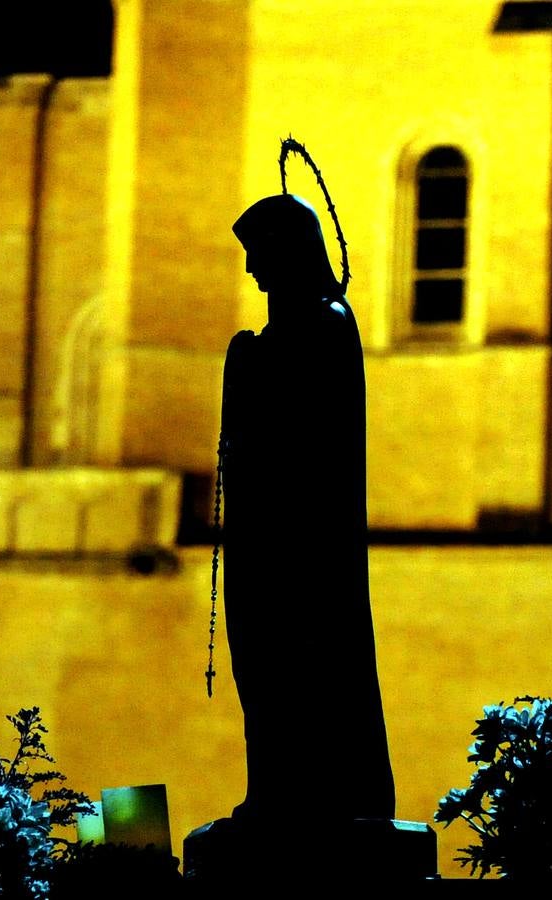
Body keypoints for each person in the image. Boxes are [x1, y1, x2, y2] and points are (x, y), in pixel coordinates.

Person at [220, 193, 395, 822]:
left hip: (303, 544)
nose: (252, 271)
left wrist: (251, 365)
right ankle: (274, 787)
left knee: (303, 663)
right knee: (263, 665)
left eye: (259, 254)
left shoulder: (324, 322)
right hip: (267, 533)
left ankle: (313, 795)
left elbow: (302, 426)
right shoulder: (291, 330)